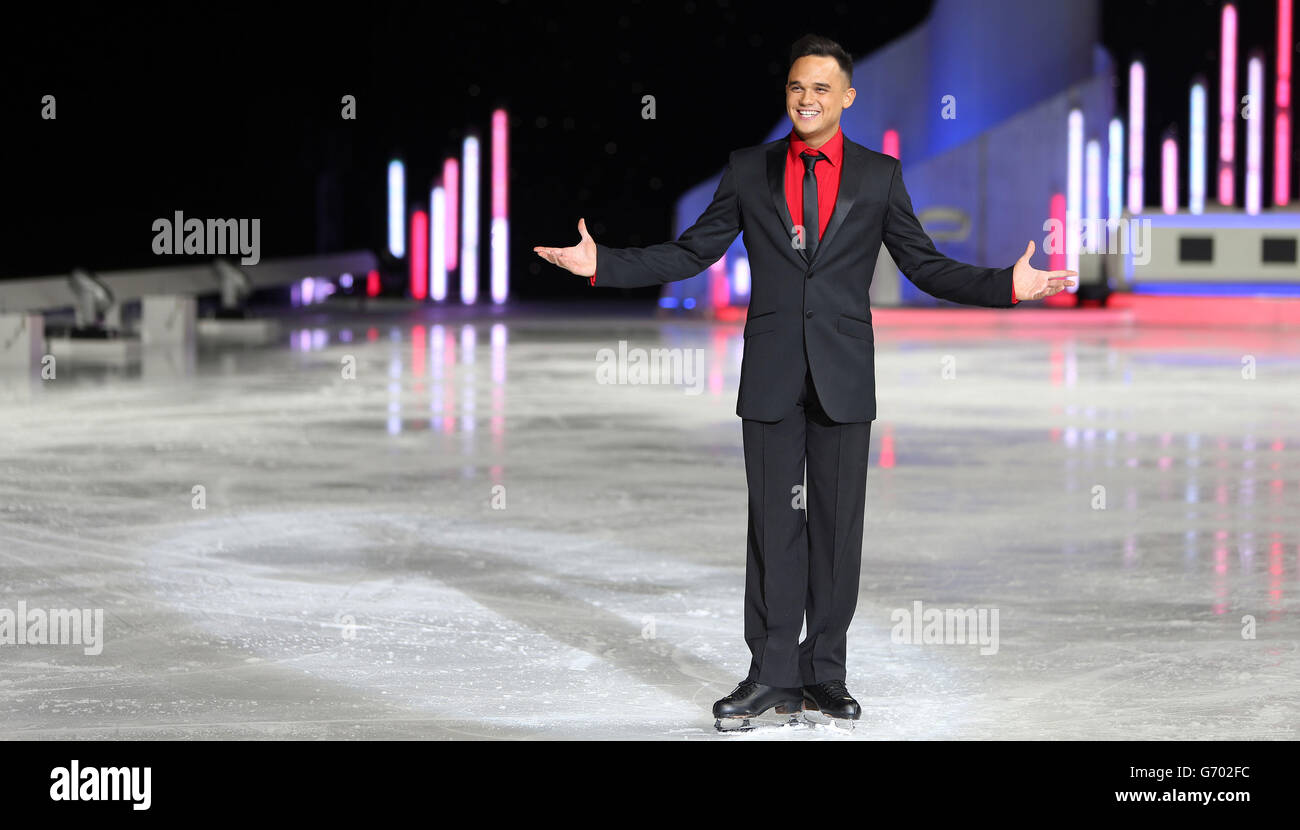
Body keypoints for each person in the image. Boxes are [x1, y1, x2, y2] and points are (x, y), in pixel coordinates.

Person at [534, 34, 1075, 729]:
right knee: (773, 528)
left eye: (821, 88)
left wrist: (1007, 284)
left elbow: (924, 265)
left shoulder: (878, 176)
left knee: (837, 529)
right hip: (770, 375)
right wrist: (602, 264)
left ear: (846, 96)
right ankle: (771, 677)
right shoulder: (748, 170)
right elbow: (691, 252)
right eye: (796, 87)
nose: (807, 99)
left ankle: (825, 675)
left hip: (844, 377)